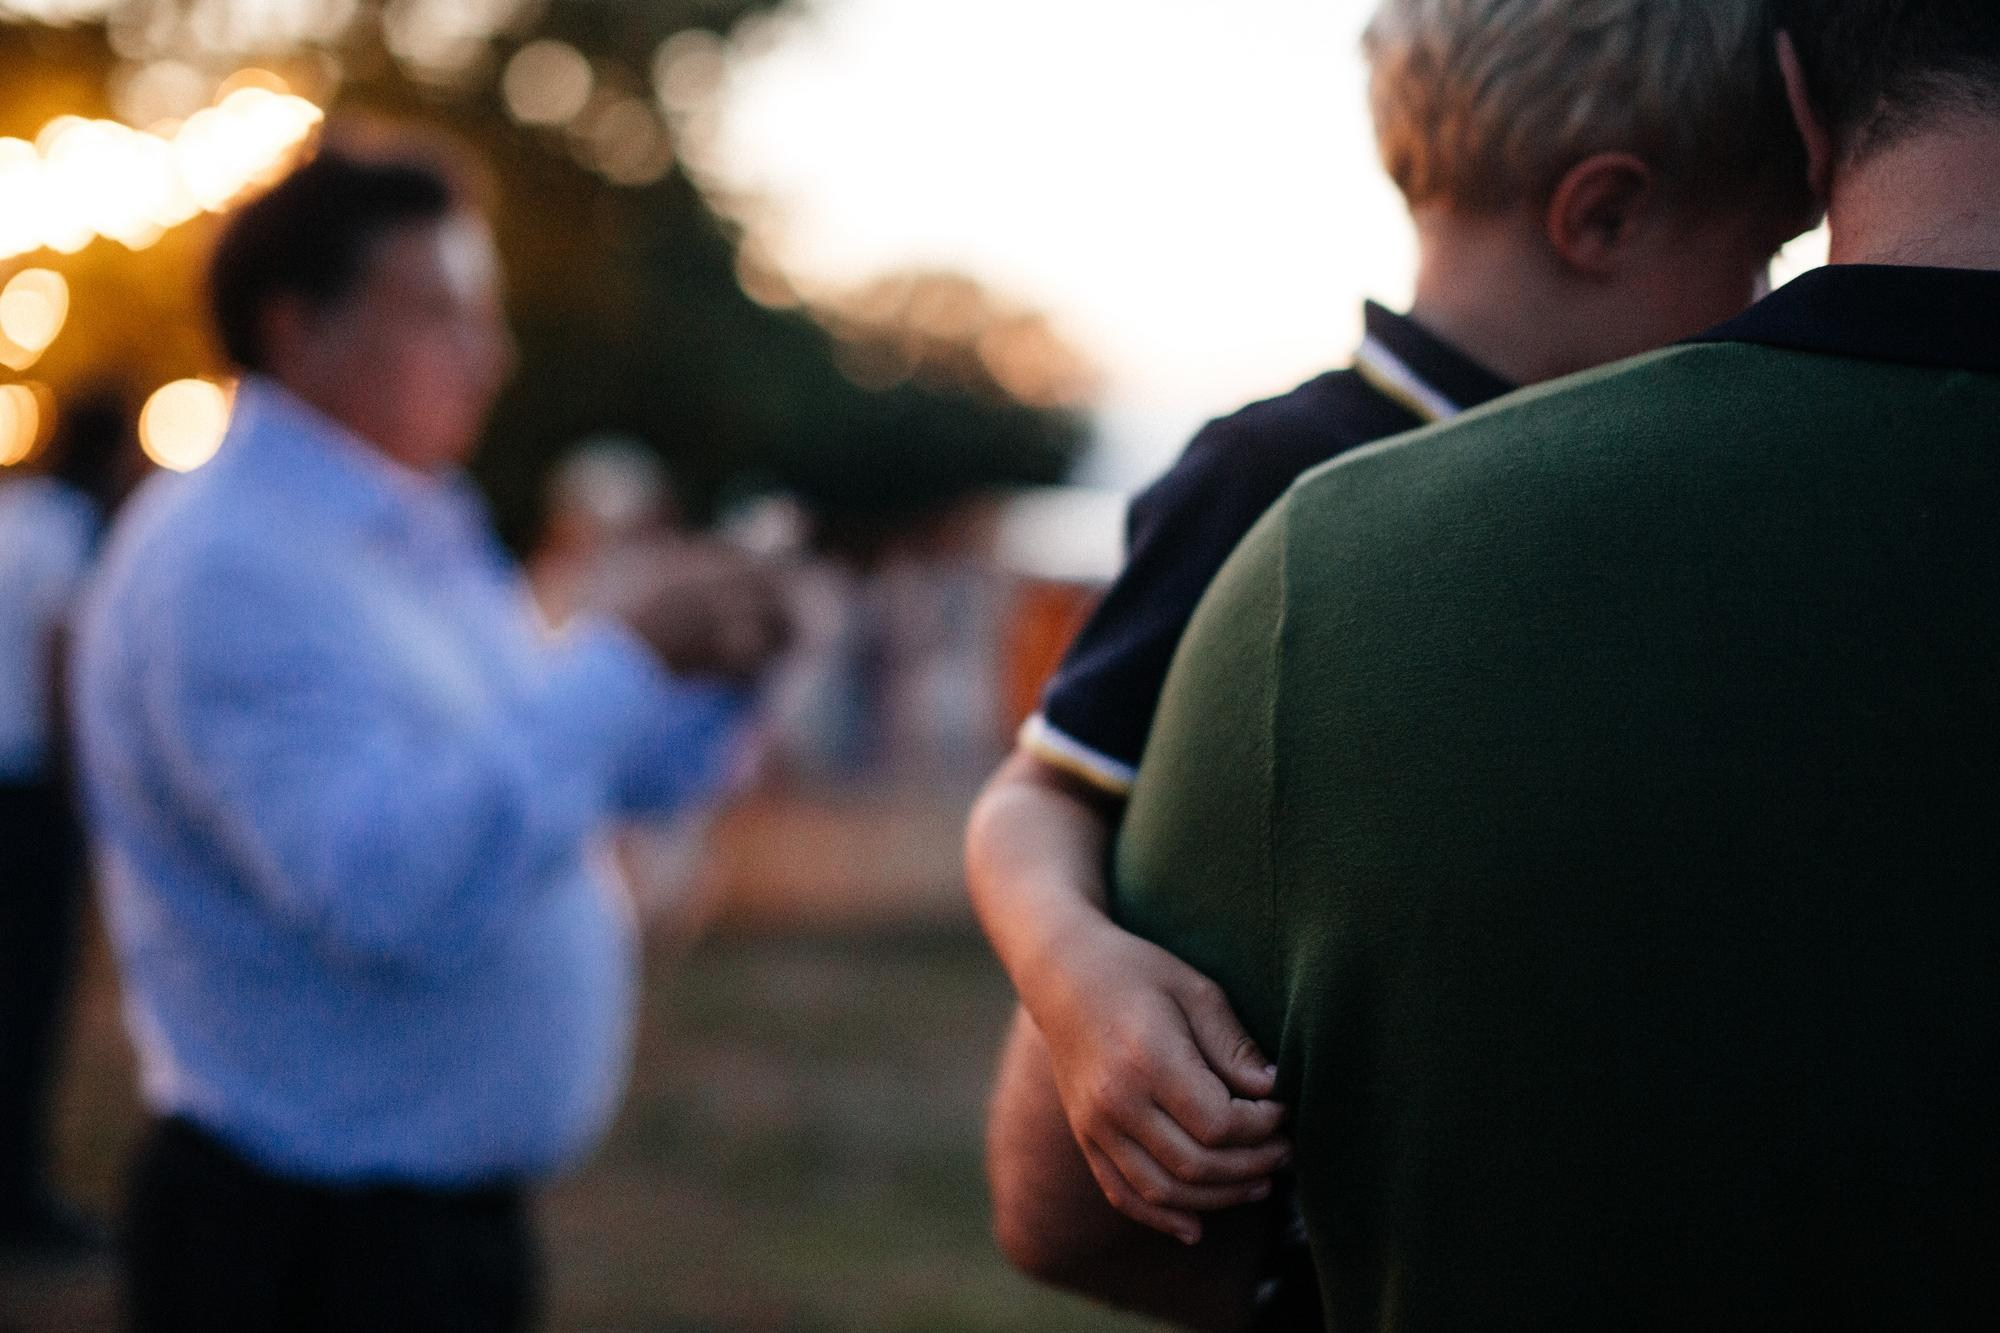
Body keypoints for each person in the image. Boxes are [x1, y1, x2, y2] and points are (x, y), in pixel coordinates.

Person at [992, 0, 2000, 1325]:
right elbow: (1039, 792)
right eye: (1759, 258)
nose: (1764, 310)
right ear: (1601, 218)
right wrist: (1075, 974)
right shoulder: (1275, 476)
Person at [71, 138, 788, 1331]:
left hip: (416, 1225)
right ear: (297, 329)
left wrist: (722, 671)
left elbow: (579, 783)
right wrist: (625, 659)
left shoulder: (416, 529)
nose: (492, 357)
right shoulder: (225, 565)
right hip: (302, 1243)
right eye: (443, 315)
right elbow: (385, 885)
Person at [0, 388, 140, 1262]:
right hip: (26, 797)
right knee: (27, 997)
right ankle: (18, 1195)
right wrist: (90, 795)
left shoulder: (11, 517)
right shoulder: (65, 535)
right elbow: (62, 668)